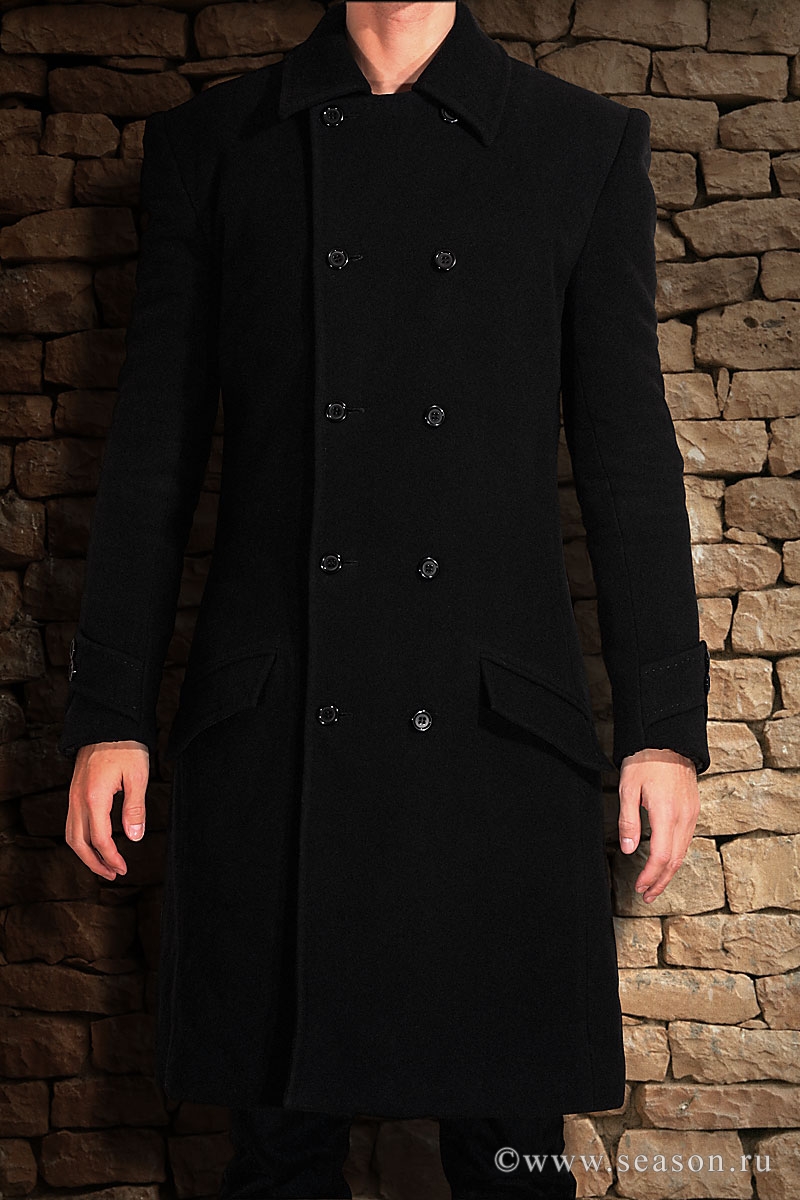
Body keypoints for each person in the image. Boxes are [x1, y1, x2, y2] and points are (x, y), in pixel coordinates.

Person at [59, 1, 711, 1196]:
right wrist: (110, 711)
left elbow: (626, 458)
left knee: (512, 1163)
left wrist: (663, 729)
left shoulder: (576, 145)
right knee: (275, 1157)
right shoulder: (215, 144)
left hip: (494, 736)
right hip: (277, 723)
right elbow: (152, 453)